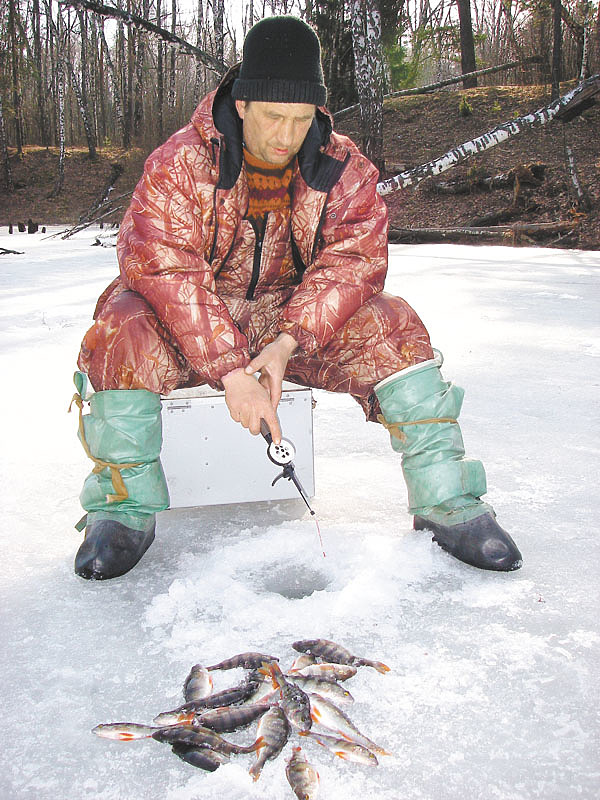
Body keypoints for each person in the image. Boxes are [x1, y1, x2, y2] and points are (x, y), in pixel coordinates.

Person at [72, 16, 522, 580]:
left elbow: (356, 261)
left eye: (302, 118)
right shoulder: (178, 163)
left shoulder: (342, 167)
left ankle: (448, 502)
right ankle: (122, 512)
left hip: (290, 318)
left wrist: (288, 342)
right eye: (273, 117)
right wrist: (232, 373)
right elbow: (165, 269)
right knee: (121, 328)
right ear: (241, 104)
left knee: (396, 326)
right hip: (191, 319)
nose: (287, 136)